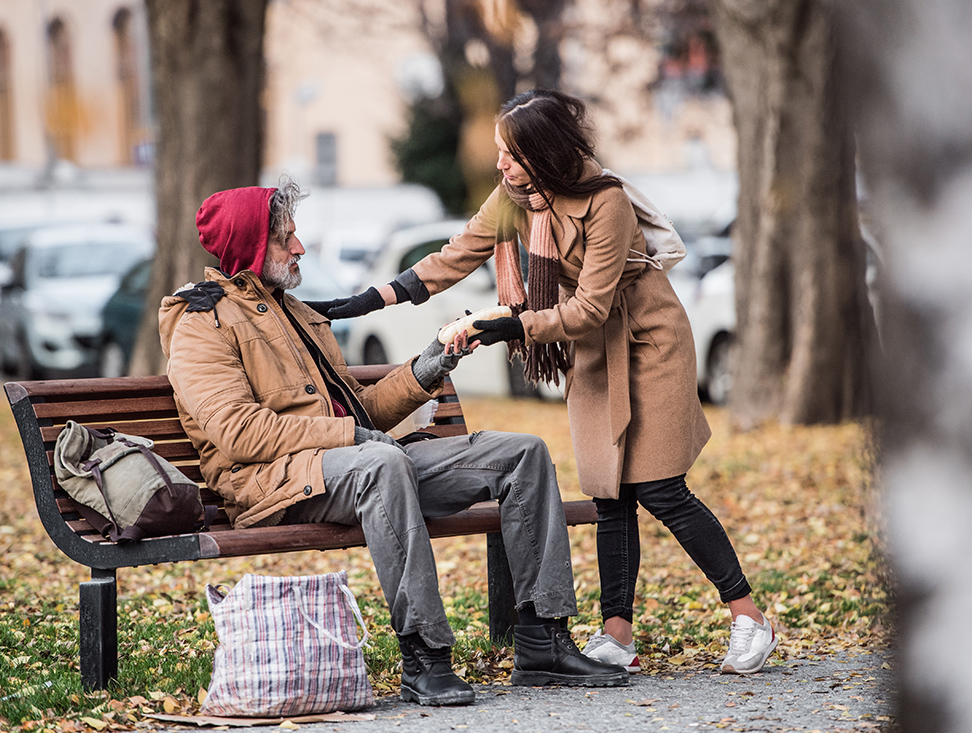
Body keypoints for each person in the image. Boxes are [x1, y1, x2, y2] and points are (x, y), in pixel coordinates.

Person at [309, 89, 778, 676]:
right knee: (610, 496)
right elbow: (453, 258)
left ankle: (749, 616)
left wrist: (508, 324)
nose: (500, 165)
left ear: (544, 153)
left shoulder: (605, 201)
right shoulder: (514, 199)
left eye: (511, 154)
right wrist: (356, 303)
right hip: (591, 356)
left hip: (645, 344)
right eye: (501, 153)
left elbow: (589, 308)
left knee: (660, 488)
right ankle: (617, 635)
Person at [158, 179, 629, 708]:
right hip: (273, 484)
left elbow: (361, 411)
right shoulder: (201, 320)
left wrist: (430, 365)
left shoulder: (295, 312)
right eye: (286, 237)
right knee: (382, 463)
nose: (300, 247)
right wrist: (351, 435)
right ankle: (424, 656)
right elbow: (238, 432)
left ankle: (543, 642)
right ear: (248, 246)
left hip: (355, 465)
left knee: (521, 453)